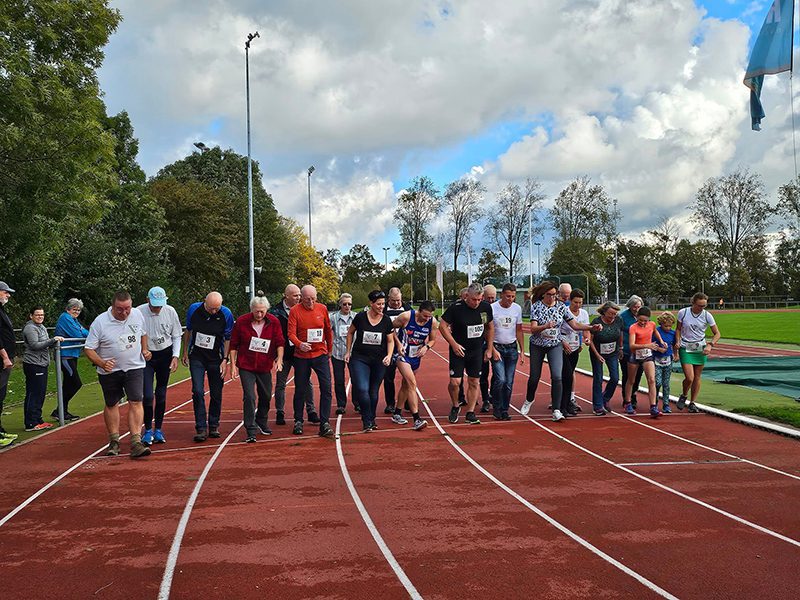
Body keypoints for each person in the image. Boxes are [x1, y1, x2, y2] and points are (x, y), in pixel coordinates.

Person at [84, 291, 151, 458]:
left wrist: (144, 349)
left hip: (134, 366)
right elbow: (88, 348)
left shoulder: (137, 314)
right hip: (110, 371)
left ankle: (136, 441)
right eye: (120, 309)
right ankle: (114, 440)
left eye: (127, 308)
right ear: (113, 306)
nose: (124, 313)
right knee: (112, 403)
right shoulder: (100, 322)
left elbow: (142, 333)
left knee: (136, 400)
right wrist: (102, 363)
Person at [521, 281, 600, 422]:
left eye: (554, 295)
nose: (552, 298)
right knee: (534, 377)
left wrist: (590, 327)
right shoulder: (536, 306)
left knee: (557, 377)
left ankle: (556, 410)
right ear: (543, 294)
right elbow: (533, 329)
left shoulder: (561, 307)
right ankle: (529, 400)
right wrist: (545, 326)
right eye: (549, 295)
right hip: (538, 345)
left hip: (555, 345)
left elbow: (574, 324)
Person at [229, 294, 285, 443]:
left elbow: (280, 342)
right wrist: (233, 365)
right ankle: (250, 428)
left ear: (267, 310)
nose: (259, 315)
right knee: (249, 396)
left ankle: (261, 420)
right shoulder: (241, 322)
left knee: (266, 396)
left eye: (262, 311)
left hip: (264, 365)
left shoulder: (274, 322)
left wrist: (279, 359)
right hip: (246, 365)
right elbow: (233, 344)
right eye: (256, 311)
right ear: (251, 310)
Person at [439, 282, 494, 425]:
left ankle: (470, 412)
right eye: (473, 299)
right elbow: (442, 326)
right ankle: (455, 405)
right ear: (467, 296)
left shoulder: (485, 308)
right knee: (455, 382)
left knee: (474, 381)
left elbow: (490, 327)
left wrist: (489, 348)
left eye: (479, 299)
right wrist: (453, 344)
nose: (476, 302)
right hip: (459, 350)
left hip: (476, 351)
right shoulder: (456, 308)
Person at [182, 291, 234, 442]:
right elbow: (188, 331)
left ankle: (213, 425)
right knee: (197, 391)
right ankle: (200, 427)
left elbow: (227, 338)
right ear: (204, 302)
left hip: (215, 358)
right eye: (211, 308)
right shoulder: (194, 309)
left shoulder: (226, 314)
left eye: (216, 308)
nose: (213, 311)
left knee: (216, 393)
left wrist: (225, 359)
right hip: (197, 357)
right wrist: (185, 352)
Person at [287, 285, 335, 438]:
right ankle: (298, 420)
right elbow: (290, 334)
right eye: (307, 299)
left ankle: (325, 423)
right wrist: (300, 344)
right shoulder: (295, 311)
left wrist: (330, 348)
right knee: (300, 389)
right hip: (302, 356)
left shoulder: (322, 308)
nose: (311, 302)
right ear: (301, 297)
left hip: (320, 354)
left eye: (313, 299)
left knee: (326, 387)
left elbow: (328, 329)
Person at [137, 287, 183, 445]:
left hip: (165, 354)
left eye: (160, 305)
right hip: (146, 356)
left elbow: (176, 335)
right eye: (155, 304)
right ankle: (147, 429)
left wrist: (175, 356)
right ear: (147, 300)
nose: (157, 308)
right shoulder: (138, 312)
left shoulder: (170, 311)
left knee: (161, 393)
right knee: (148, 395)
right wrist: (142, 350)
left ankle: (158, 429)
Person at [346, 290, 395, 432]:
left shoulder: (386, 320)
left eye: (383, 304)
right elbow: (350, 332)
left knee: (373, 391)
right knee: (362, 388)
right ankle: (366, 419)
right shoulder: (361, 317)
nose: (381, 307)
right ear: (371, 304)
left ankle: (370, 419)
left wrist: (389, 355)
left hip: (379, 360)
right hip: (360, 358)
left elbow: (390, 340)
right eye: (378, 304)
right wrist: (348, 351)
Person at [270, 284, 316, 425]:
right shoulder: (275, 311)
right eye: (296, 295)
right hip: (283, 353)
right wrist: (276, 354)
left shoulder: (304, 308)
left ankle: (311, 410)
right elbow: (272, 333)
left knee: (306, 381)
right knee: (281, 383)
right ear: (286, 295)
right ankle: (280, 412)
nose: (299, 298)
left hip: (300, 351)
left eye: (299, 295)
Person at [391, 299, 438, 430]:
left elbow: (433, 340)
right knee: (412, 383)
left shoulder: (432, 322)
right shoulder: (406, 316)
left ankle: (397, 413)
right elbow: (390, 328)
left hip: (416, 356)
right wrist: (398, 343)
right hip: (402, 354)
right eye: (425, 316)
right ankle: (417, 419)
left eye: (429, 316)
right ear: (419, 311)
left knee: (406, 385)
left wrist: (427, 347)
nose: (427, 319)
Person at [675, 292, 721, 413]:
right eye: (699, 305)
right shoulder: (683, 313)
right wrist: (678, 341)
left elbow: (717, 333)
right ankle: (684, 395)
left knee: (697, 377)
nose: (701, 308)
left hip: (700, 347)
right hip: (685, 346)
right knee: (689, 377)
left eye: (704, 306)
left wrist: (710, 345)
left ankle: (692, 402)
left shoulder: (707, 315)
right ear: (693, 303)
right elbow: (678, 329)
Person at [22, 307, 63, 431]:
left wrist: (52, 343)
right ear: (31, 316)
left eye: (42, 315)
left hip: (42, 363)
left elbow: (45, 343)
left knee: (40, 393)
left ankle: (37, 418)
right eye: (37, 315)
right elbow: (35, 345)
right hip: (33, 364)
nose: (40, 317)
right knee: (34, 393)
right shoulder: (30, 328)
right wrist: (53, 340)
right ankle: (31, 422)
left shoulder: (42, 327)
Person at [489, 283, 524, 421]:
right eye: (508, 296)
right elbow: (487, 330)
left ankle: (504, 409)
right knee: (500, 379)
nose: (510, 299)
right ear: (501, 295)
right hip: (497, 347)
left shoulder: (517, 309)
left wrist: (522, 350)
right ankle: (496, 405)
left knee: (509, 382)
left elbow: (519, 330)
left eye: (513, 297)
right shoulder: (492, 308)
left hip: (512, 348)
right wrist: (491, 349)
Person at [624, 306, 667, 418]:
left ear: (649, 319)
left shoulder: (651, 324)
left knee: (652, 380)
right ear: (637, 318)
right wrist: (648, 345)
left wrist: (661, 341)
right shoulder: (633, 327)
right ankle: (627, 403)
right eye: (640, 320)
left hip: (647, 355)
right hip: (635, 355)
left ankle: (653, 406)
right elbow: (632, 345)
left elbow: (655, 331)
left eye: (645, 321)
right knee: (631, 380)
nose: (643, 323)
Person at [54, 298, 89, 421]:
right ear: (68, 309)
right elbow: (78, 335)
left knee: (68, 384)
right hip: (65, 355)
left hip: (72, 355)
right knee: (75, 383)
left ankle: (61, 411)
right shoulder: (65, 318)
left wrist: (82, 332)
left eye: (79, 310)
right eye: (74, 309)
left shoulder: (74, 320)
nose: (77, 312)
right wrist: (81, 332)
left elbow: (85, 332)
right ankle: (59, 410)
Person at [588, 302, 624, 415]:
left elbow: (621, 333)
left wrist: (621, 348)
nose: (613, 316)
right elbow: (591, 340)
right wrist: (597, 355)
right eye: (610, 314)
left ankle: (605, 398)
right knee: (598, 378)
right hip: (597, 352)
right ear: (604, 312)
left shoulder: (618, 320)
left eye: (615, 313)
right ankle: (597, 406)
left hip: (612, 352)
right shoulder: (596, 322)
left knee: (615, 377)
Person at [558, 289, 590, 418]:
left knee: (569, 374)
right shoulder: (564, 311)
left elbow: (585, 329)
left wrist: (587, 339)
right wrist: (562, 342)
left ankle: (566, 404)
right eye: (575, 302)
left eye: (580, 302)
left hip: (575, 347)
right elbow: (556, 329)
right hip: (563, 347)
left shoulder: (583, 313)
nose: (578, 305)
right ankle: (562, 405)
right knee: (566, 376)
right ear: (570, 301)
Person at [381, 287, 412, 414]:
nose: (396, 303)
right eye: (393, 301)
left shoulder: (407, 308)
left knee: (407, 376)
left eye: (398, 300)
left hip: (405, 347)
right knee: (388, 377)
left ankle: (408, 401)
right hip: (388, 347)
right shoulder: (383, 309)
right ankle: (390, 404)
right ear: (389, 299)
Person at [330, 293, 356, 415]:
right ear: (340, 304)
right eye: (344, 304)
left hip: (353, 353)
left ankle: (358, 403)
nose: (347, 306)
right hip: (338, 353)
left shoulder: (356, 317)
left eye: (349, 304)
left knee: (356, 379)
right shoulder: (333, 318)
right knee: (339, 380)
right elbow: (327, 331)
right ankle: (341, 404)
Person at [0, 281, 19, 444]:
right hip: (2, 360)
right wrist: (5, 356)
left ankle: (0, 430)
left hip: (6, 358)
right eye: (5, 292)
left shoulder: (2, 310)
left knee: (2, 394)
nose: (8, 295)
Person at [620, 295, 644, 409]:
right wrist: (620, 348)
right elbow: (619, 331)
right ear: (630, 306)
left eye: (638, 306)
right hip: (626, 349)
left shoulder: (643, 316)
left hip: (640, 350)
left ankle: (634, 393)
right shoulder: (623, 317)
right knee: (627, 375)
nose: (636, 309)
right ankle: (626, 398)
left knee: (639, 373)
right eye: (634, 307)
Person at [653, 311, 678, 414]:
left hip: (668, 360)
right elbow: (651, 344)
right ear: (661, 323)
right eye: (665, 326)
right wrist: (658, 349)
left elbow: (675, 344)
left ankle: (666, 404)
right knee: (657, 383)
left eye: (669, 326)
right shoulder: (656, 332)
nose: (668, 328)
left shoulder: (673, 333)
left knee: (666, 384)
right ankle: (654, 402)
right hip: (656, 360)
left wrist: (675, 354)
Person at [478, 284, 497, 413]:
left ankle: (494, 397)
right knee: (483, 374)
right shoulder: (483, 309)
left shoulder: (498, 307)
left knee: (498, 374)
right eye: (488, 298)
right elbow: (486, 328)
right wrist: (489, 347)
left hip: (498, 344)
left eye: (493, 298)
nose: (490, 301)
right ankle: (485, 399)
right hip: (484, 345)